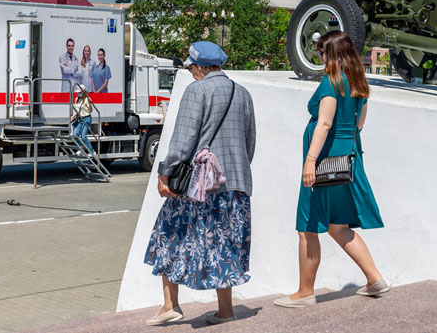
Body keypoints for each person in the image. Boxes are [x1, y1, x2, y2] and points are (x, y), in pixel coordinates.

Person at [144, 41, 256, 326]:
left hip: (201, 187)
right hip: (236, 184)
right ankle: (225, 310)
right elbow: (249, 143)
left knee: (167, 233)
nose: (191, 72)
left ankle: (171, 304)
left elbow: (183, 140)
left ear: (200, 66)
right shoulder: (242, 94)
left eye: (191, 67)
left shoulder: (197, 90)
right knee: (226, 245)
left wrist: (164, 173)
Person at [274, 30, 387, 309]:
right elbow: (358, 124)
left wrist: (310, 161)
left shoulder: (331, 83)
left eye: (322, 51)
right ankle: (375, 279)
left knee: (308, 227)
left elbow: (324, 123)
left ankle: (304, 292)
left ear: (332, 54)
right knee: (338, 226)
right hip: (346, 162)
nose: (320, 56)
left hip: (324, 164)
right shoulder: (359, 83)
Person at [70, 84, 94, 154]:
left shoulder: (87, 99)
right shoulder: (77, 99)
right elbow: (77, 110)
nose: (78, 93)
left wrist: (89, 104)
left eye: (80, 92)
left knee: (83, 137)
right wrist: (73, 116)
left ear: (84, 92)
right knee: (75, 135)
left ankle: (91, 151)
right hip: (79, 119)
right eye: (77, 92)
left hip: (87, 119)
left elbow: (90, 111)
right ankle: (81, 149)